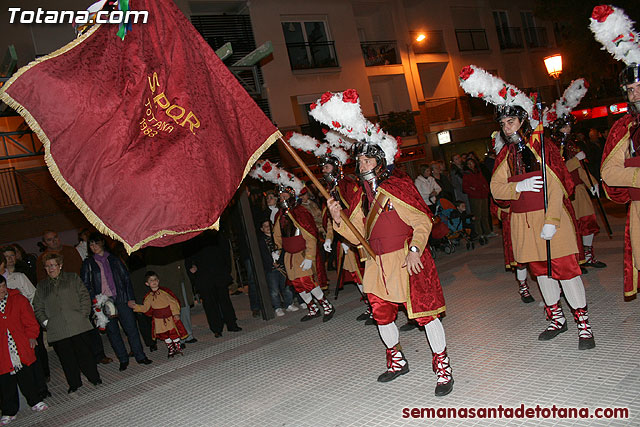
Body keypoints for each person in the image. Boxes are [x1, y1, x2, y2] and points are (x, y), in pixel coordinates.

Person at [312, 89, 453, 396]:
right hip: (376, 263)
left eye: (365, 158)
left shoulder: (398, 184)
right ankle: (397, 360)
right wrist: (339, 219)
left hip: (406, 258)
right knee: (381, 312)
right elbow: (357, 235)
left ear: (379, 161)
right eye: (358, 159)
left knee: (425, 314)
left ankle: (442, 367)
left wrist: (416, 249)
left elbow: (422, 221)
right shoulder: (360, 194)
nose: (359, 163)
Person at [460, 65, 595, 350]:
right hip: (523, 223)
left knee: (566, 271)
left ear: (522, 120)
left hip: (550, 219)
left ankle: (584, 324)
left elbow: (558, 183)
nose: (506, 127)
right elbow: (496, 190)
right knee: (541, 273)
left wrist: (552, 218)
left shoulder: (542, 145)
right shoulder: (506, 153)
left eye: (510, 121)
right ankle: (557, 318)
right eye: (503, 123)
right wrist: (516, 188)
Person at [593, 5, 640, 298]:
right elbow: (609, 172)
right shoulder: (624, 127)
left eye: (639, 87)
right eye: (631, 89)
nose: (635, 93)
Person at [546, 79, 606, 270]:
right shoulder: (553, 147)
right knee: (572, 227)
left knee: (588, 222)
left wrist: (593, 183)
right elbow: (557, 168)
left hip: (579, 189)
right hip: (564, 193)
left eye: (568, 126)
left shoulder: (571, 144)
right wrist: (573, 160)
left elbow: (581, 168)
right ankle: (576, 259)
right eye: (564, 127)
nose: (567, 129)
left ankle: (588, 255)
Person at [81, 233, 152, 371]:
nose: (94, 246)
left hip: (121, 298)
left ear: (102, 242)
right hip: (103, 301)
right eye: (91, 244)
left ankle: (140, 355)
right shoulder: (88, 263)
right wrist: (95, 302)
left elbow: (126, 279)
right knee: (112, 332)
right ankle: (123, 359)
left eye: (96, 243)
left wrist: (130, 298)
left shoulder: (113, 259)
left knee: (131, 328)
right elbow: (86, 285)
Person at [33, 253, 102, 393]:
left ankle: (94, 378)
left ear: (60, 265)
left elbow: (84, 296)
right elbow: (38, 307)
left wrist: (83, 314)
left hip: (77, 323)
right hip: (57, 328)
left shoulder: (72, 278)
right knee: (66, 359)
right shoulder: (42, 286)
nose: (50, 268)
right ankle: (74, 383)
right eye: (47, 266)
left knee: (85, 354)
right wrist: (46, 322)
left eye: (52, 265)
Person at [0, 276, 48, 425]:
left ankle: (35, 401)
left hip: (19, 345)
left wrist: (32, 336)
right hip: (2, 350)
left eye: (3, 286)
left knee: (27, 376)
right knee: (5, 382)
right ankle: (9, 410)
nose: (2, 290)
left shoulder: (18, 299)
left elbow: (30, 321)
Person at [185, 230, 242, 337]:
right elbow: (188, 257)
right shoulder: (193, 236)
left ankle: (231, 324)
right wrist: (191, 270)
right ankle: (216, 328)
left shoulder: (216, 234)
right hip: (203, 276)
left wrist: (226, 270)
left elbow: (226, 252)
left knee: (224, 300)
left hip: (219, 273)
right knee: (210, 303)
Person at [144, 245, 197, 345]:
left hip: (181, 281)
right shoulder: (152, 250)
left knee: (185, 309)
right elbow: (151, 270)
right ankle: (178, 338)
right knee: (172, 313)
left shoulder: (174, 243)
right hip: (167, 285)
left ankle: (188, 334)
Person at [128, 271, 188, 358]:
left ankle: (178, 348)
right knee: (164, 335)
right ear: (147, 283)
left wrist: (175, 314)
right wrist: (135, 307)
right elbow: (145, 308)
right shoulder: (148, 297)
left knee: (173, 333)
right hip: (158, 320)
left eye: (155, 279)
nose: (154, 281)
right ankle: (171, 348)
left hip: (169, 318)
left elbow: (173, 303)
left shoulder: (165, 292)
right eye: (151, 280)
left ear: (158, 281)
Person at [257, 218, 297, 316]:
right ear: (262, 229)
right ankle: (277, 307)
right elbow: (263, 255)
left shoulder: (278, 237)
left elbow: (283, 250)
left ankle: (289, 303)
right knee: (274, 289)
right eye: (265, 226)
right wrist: (272, 262)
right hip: (271, 269)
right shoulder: (262, 241)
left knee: (286, 287)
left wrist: (280, 261)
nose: (268, 228)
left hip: (282, 266)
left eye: (269, 226)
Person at [462, 158, 491, 245]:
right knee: (477, 216)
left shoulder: (478, 172)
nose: (471, 165)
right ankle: (479, 233)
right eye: (469, 164)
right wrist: (473, 190)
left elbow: (484, 182)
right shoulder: (466, 174)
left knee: (484, 214)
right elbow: (465, 187)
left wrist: (486, 190)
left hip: (483, 195)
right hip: (475, 197)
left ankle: (487, 231)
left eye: (472, 163)